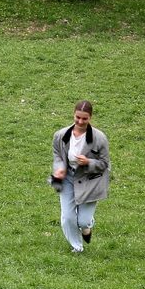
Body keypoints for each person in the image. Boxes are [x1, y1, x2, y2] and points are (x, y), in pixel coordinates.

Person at [51, 100, 111, 253]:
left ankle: (86, 227)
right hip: (68, 178)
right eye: (78, 117)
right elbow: (57, 155)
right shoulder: (60, 135)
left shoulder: (99, 138)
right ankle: (77, 247)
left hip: (90, 180)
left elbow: (104, 163)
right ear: (73, 114)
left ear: (90, 117)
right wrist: (59, 169)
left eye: (84, 118)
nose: (80, 121)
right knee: (68, 217)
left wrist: (88, 162)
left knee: (83, 221)